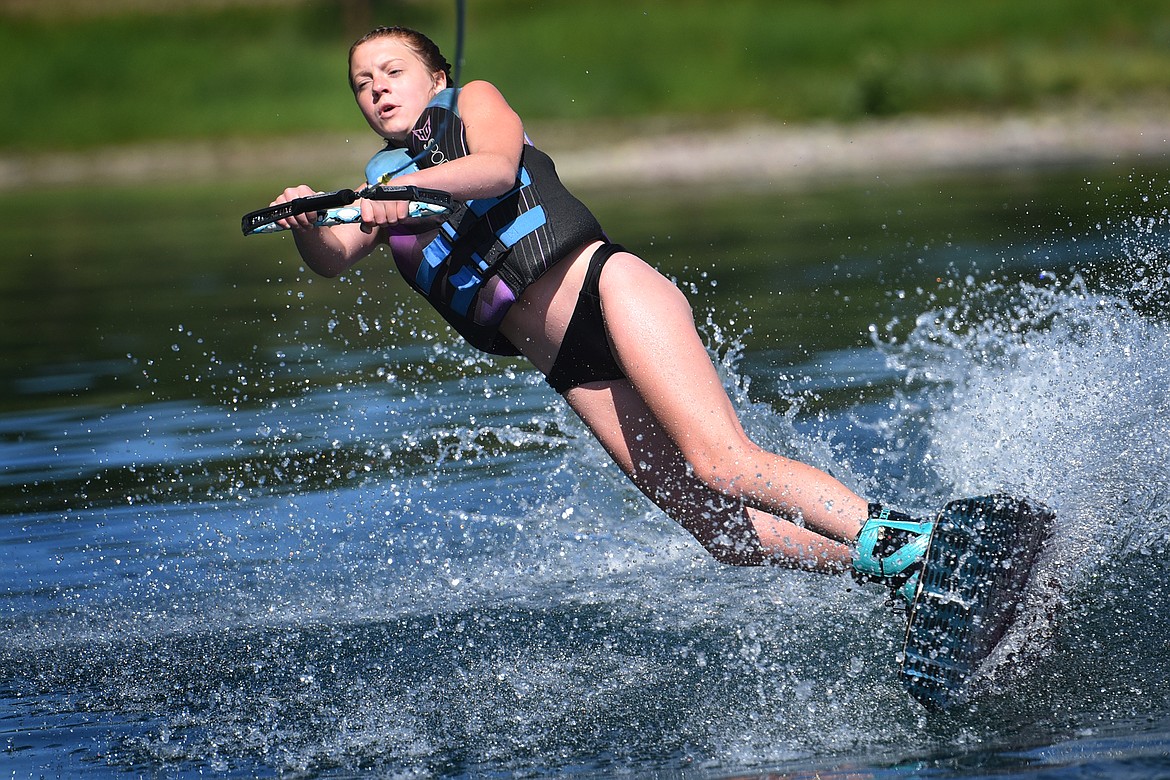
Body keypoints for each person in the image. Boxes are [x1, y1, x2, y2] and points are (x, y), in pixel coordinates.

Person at [267, 26, 931, 601]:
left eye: (393, 72)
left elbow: (498, 170)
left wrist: (398, 190)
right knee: (721, 534)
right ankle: (893, 571)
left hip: (608, 292)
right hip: (573, 367)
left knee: (725, 463)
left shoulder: (472, 104)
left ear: (436, 76)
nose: (377, 89)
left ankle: (916, 541)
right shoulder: (379, 185)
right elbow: (331, 257)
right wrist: (307, 219)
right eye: (361, 83)